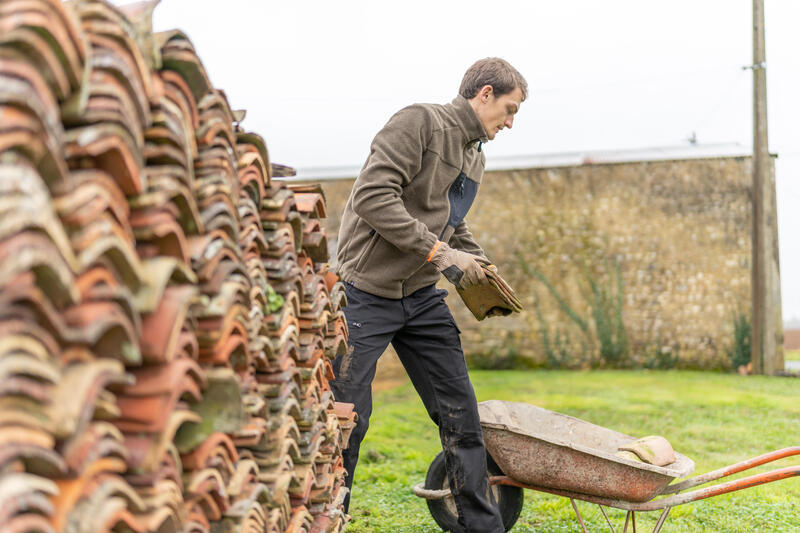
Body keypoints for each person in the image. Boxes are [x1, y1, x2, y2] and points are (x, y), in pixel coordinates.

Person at [332, 57, 527, 532]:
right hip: (365, 292)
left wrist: (479, 265)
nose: (510, 122)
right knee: (347, 418)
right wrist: (441, 255)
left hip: (419, 296)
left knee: (460, 414)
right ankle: (328, 517)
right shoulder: (419, 122)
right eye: (509, 108)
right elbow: (373, 197)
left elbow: (451, 222)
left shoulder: (475, 154)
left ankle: (483, 528)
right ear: (484, 93)